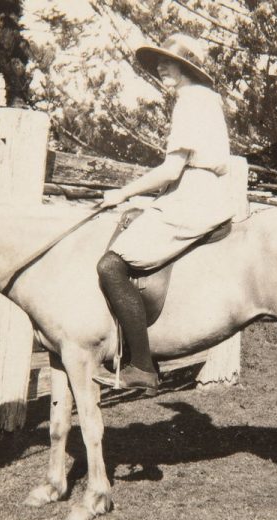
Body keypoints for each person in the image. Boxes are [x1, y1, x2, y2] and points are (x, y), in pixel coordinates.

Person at [93, 33, 233, 395]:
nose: (160, 69)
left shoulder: (190, 101)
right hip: (198, 192)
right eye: (158, 64)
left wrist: (120, 193)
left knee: (110, 266)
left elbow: (171, 171)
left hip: (193, 197)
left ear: (187, 67)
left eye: (168, 63)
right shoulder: (206, 100)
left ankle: (141, 365)